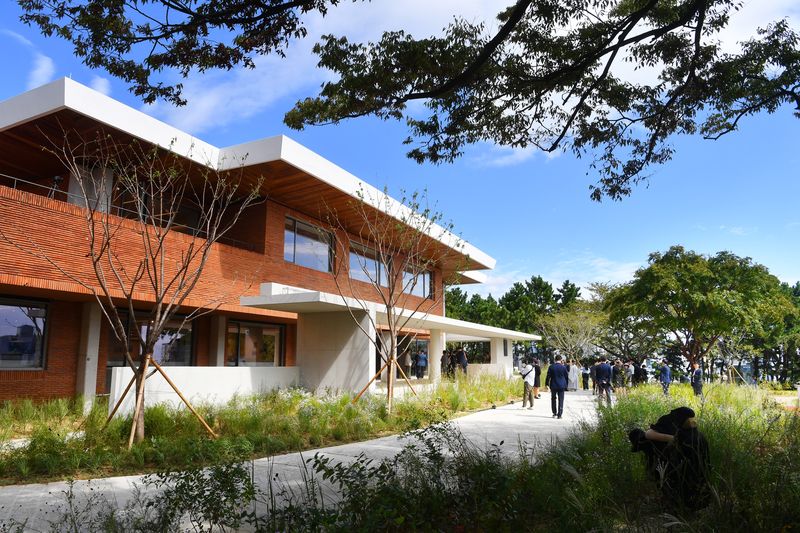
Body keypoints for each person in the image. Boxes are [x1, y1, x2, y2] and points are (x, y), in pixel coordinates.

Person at [628, 406, 710, 509]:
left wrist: (675, 440)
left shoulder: (675, 433)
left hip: (686, 486)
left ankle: (677, 503)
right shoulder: (696, 435)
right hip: (699, 487)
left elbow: (649, 435)